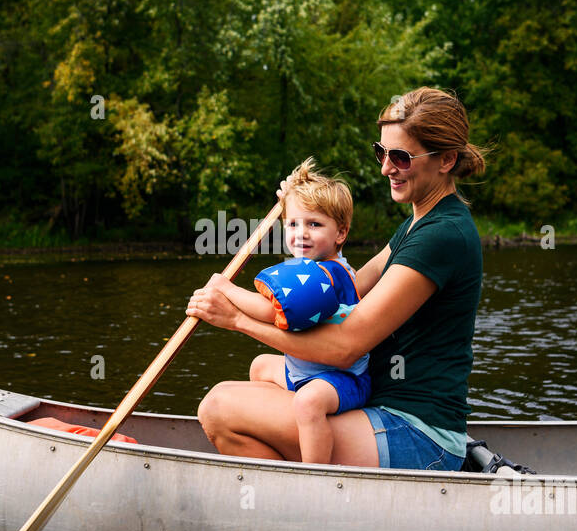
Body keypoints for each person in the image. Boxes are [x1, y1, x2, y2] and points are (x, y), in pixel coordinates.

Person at [186, 87, 486, 470]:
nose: (385, 168)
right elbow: (349, 290)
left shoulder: (442, 235)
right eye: (382, 153)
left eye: (401, 157)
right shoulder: (417, 224)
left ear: (446, 159)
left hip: (418, 434)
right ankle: (308, 494)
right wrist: (301, 205)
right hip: (382, 403)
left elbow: (344, 346)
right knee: (260, 371)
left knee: (219, 407)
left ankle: (310, 498)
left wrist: (236, 320)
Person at [208, 158, 369, 465]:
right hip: (304, 370)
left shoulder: (328, 274)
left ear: (341, 233)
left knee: (309, 402)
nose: (301, 233)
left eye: (314, 224)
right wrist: (289, 197)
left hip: (341, 380)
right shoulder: (310, 269)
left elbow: (273, 311)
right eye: (293, 223)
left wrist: (226, 290)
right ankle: (275, 430)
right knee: (259, 366)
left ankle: (312, 474)